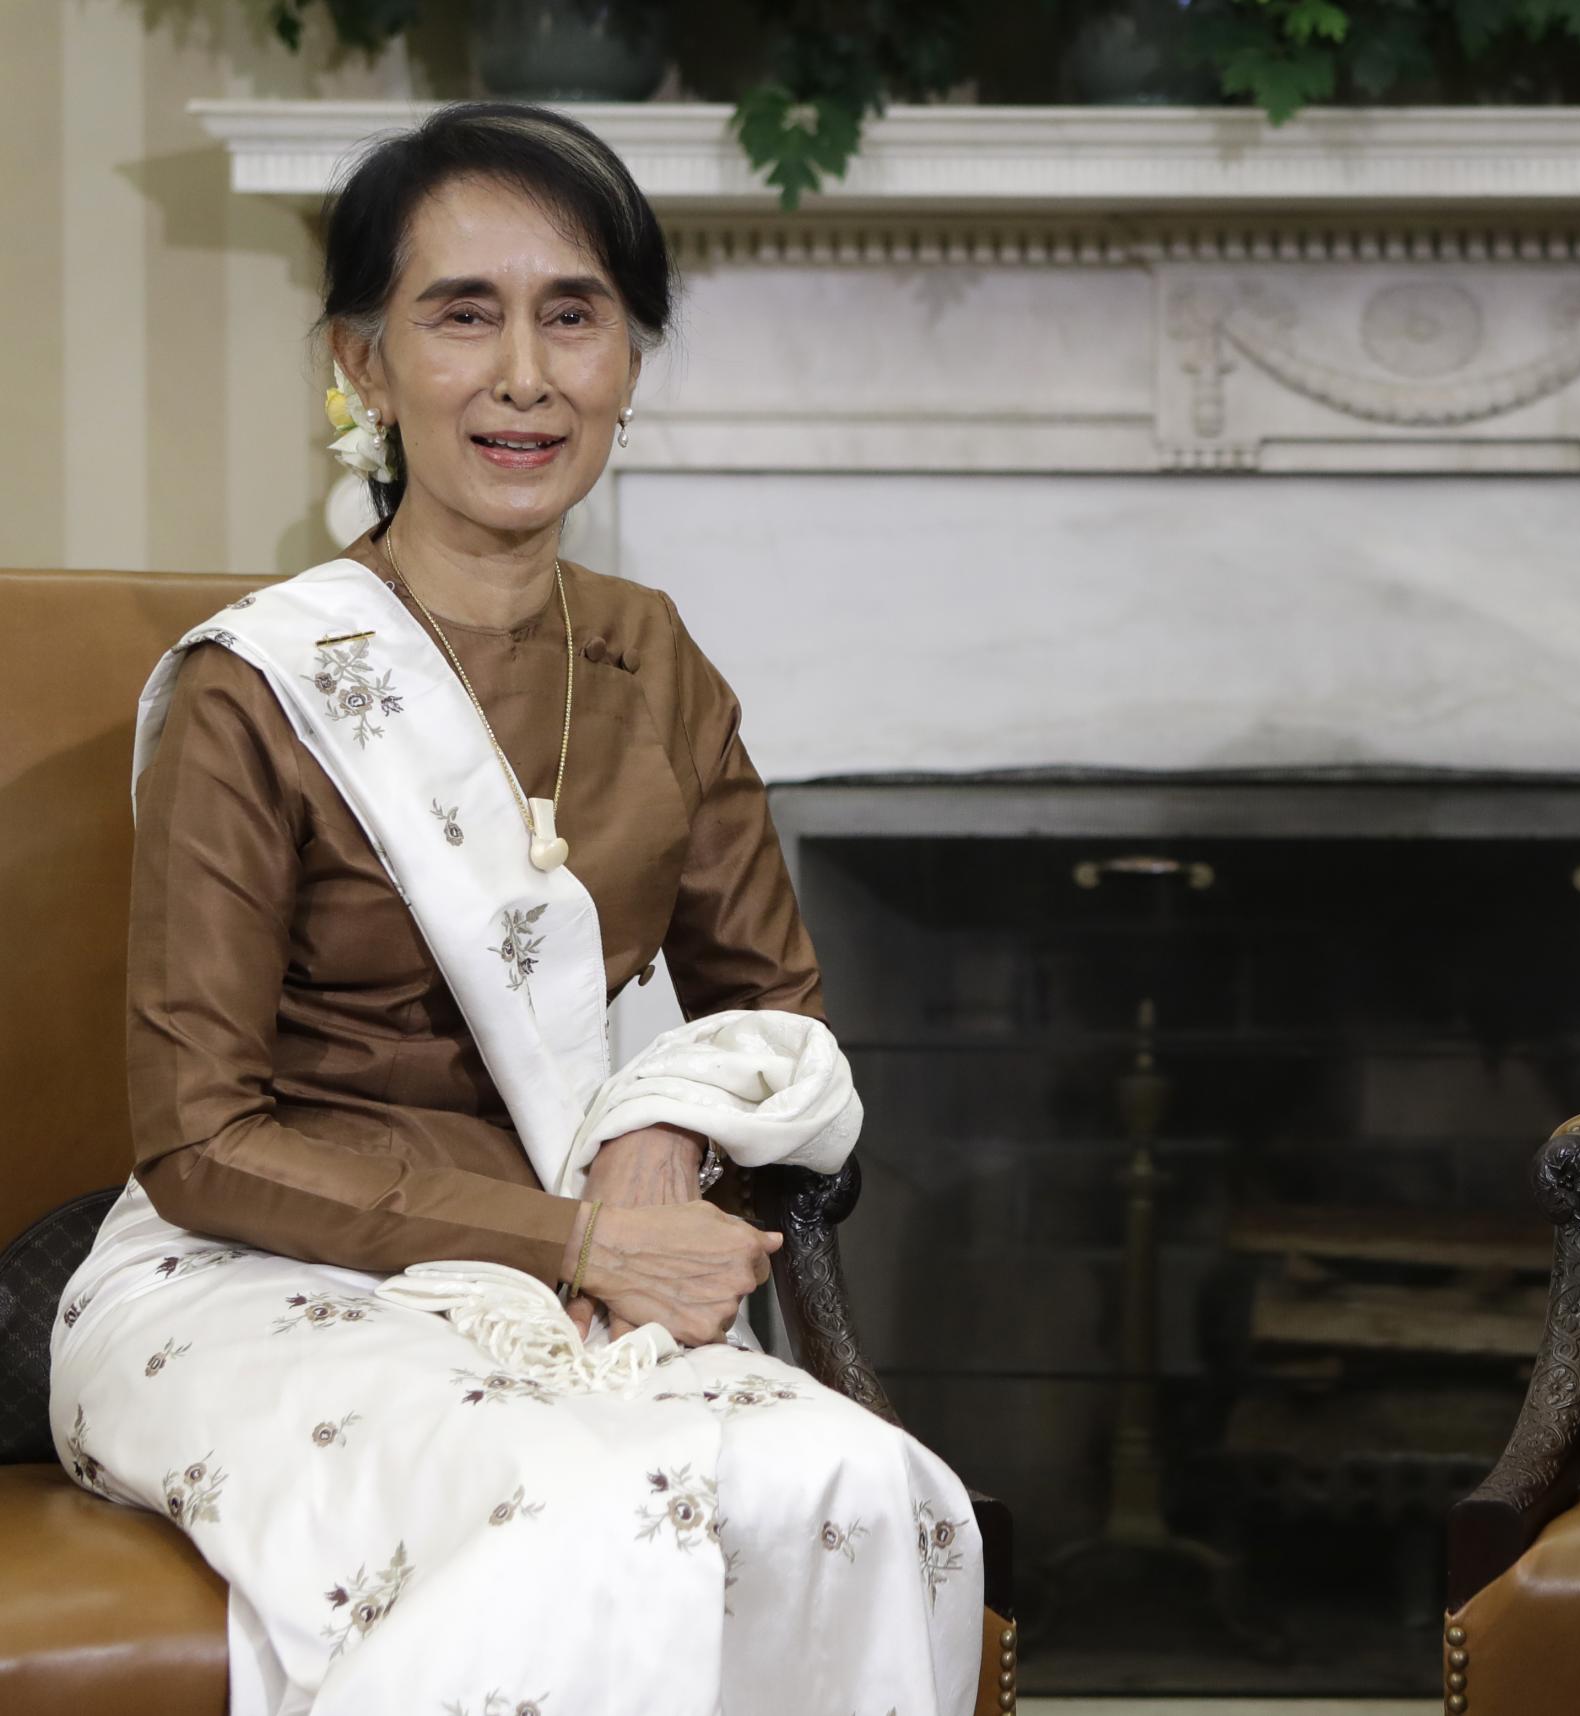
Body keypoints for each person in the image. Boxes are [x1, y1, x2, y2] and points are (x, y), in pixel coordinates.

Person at [50, 103, 981, 1716]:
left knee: (863, 1493)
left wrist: (666, 1132)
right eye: (460, 313)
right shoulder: (257, 690)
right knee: (583, 1521)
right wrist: (578, 1233)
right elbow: (195, 1143)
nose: (525, 375)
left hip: (577, 1285)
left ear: (632, 357)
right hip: (254, 1283)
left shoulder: (656, 661)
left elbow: (781, 1020)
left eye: (575, 313)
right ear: (362, 361)